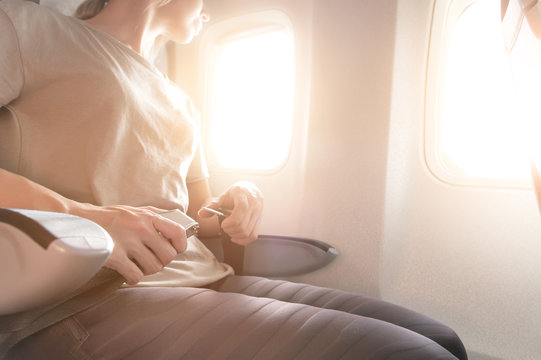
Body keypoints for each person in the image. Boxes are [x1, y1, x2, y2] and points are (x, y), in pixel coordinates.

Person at [0, 0, 467, 358]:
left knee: (440, 338)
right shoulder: (28, 29)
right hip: (87, 299)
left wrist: (238, 200)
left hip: (202, 277)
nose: (211, 7)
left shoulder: (179, 99)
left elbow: (198, 214)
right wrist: (86, 218)